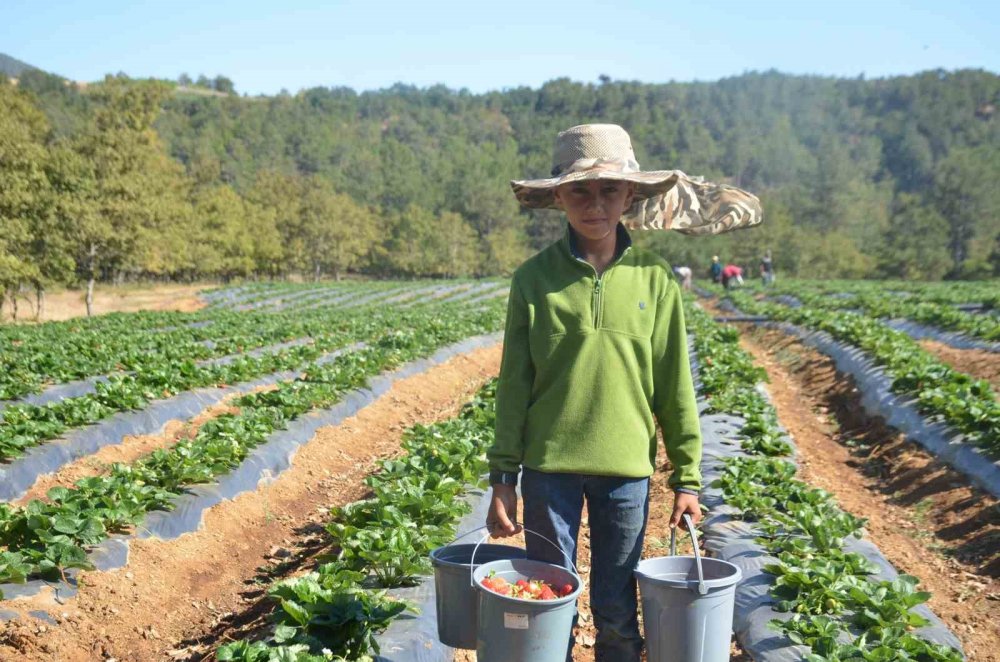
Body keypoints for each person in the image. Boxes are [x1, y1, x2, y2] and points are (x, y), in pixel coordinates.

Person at [486, 124, 762, 661]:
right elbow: (514, 385)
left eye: (609, 189)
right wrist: (503, 478)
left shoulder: (656, 280)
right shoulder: (533, 280)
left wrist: (687, 477)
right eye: (581, 191)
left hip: (626, 473)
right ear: (559, 197)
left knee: (616, 607)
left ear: (630, 195)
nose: (595, 204)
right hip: (547, 471)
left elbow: (674, 386)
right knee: (547, 598)